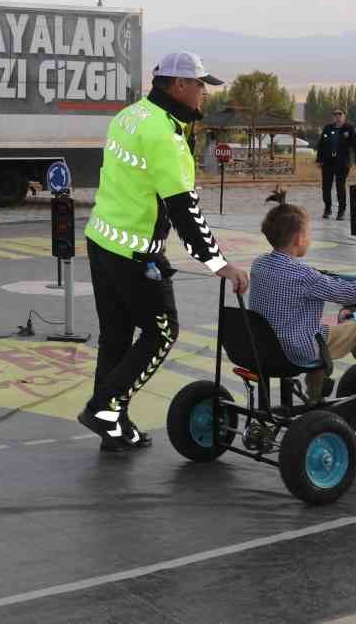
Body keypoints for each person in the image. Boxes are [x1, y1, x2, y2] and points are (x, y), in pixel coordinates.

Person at [80, 52, 250, 452]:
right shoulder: (165, 136)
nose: (204, 93)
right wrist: (218, 263)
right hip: (135, 252)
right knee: (161, 332)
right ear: (177, 86)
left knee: (117, 336)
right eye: (199, 85)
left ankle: (111, 424)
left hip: (102, 239)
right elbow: (183, 210)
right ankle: (105, 407)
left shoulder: (129, 115)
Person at [249, 203, 356, 411]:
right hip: (295, 350)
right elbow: (353, 293)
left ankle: (314, 398)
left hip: (261, 345)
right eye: (309, 233)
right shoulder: (304, 275)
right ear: (299, 239)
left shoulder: (259, 264)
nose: (310, 238)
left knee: (321, 332)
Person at [314, 107, 356, 220]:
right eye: (335, 114)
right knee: (326, 187)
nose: (337, 116)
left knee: (340, 186)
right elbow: (321, 145)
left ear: (344, 116)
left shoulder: (349, 129)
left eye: (340, 114)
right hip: (328, 162)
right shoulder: (327, 128)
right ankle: (327, 208)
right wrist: (319, 160)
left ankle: (341, 211)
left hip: (342, 163)